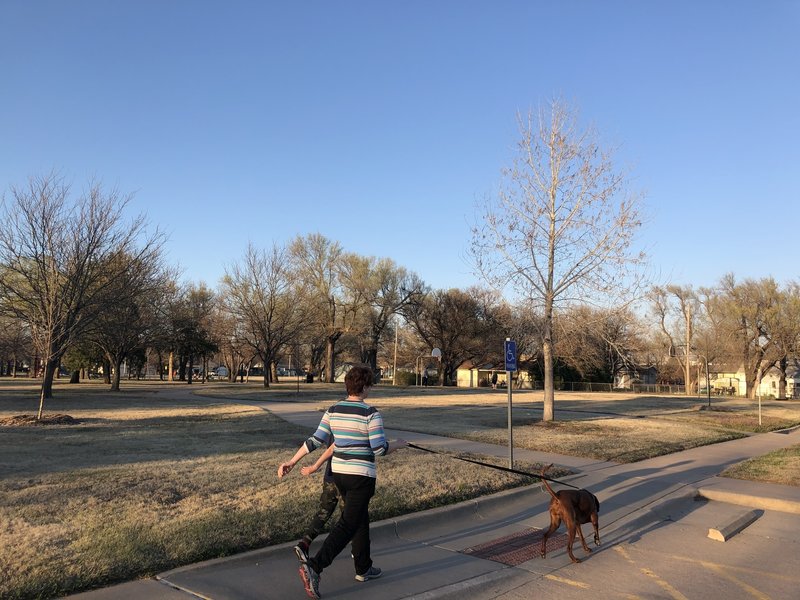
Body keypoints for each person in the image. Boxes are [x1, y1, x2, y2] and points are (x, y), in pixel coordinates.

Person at [278, 364, 408, 600]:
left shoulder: (333, 410)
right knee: (349, 523)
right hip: (361, 477)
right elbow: (379, 449)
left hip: (339, 474)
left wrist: (292, 461)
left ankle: (363, 567)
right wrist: (399, 444)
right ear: (365, 387)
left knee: (360, 518)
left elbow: (316, 440)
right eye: (370, 385)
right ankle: (315, 567)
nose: (370, 389)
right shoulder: (371, 413)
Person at [290, 440, 341, 563]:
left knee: (323, 512)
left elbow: (314, 440)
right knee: (351, 520)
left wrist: (292, 462)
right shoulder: (347, 421)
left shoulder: (330, 421)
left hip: (330, 476)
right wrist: (314, 466)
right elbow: (332, 448)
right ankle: (358, 554)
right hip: (345, 477)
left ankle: (305, 543)